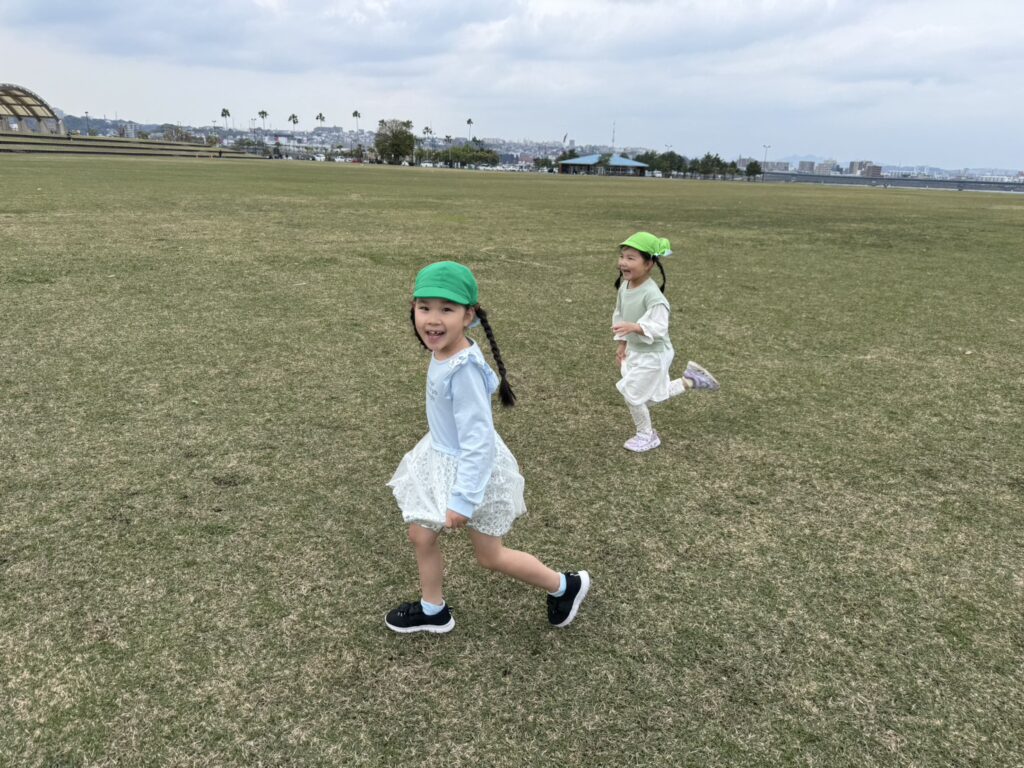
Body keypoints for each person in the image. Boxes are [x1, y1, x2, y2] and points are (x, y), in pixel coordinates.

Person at [386, 261, 590, 633]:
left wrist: (463, 499)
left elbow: (478, 442)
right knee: (421, 534)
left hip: (472, 472)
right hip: (442, 459)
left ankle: (565, 586)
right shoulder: (445, 350)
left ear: (469, 316)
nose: (433, 319)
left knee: (490, 556)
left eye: (447, 309)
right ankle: (433, 609)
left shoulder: (463, 369)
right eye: (424, 307)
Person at [612, 232, 719, 452]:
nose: (623, 262)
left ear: (649, 264)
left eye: (631, 258)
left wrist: (635, 327)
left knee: (633, 395)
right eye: (622, 256)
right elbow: (620, 314)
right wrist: (622, 343)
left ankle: (646, 436)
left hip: (655, 353)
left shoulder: (654, 296)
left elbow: (659, 327)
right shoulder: (625, 286)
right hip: (637, 350)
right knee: (645, 396)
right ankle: (690, 380)